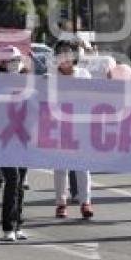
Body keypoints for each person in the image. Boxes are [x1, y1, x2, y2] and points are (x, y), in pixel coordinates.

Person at [51, 39, 94, 219]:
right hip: (59, 127)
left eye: (68, 52)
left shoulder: (84, 74)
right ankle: (61, 203)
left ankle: (85, 202)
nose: (65, 57)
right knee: (60, 167)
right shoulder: (50, 77)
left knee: (82, 166)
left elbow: (94, 99)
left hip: (81, 126)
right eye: (61, 53)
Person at [0, 47, 30, 242]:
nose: (13, 64)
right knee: (13, 179)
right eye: (10, 61)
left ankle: (18, 224)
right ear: (3, 64)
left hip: (23, 139)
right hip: (5, 139)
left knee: (21, 182)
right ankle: (8, 226)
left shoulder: (28, 82)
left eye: (16, 60)